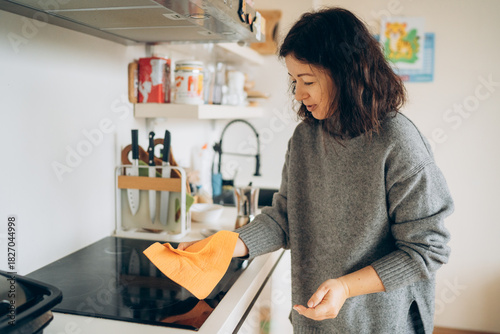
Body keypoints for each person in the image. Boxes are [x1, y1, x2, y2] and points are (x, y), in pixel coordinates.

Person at [180, 7, 453, 334]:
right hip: (316, 322)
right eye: (294, 81)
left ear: (346, 74)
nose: (298, 93)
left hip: (381, 324)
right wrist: (223, 247)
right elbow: (284, 218)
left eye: (307, 81)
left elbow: (427, 249)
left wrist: (346, 287)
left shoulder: (399, 142)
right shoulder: (305, 139)